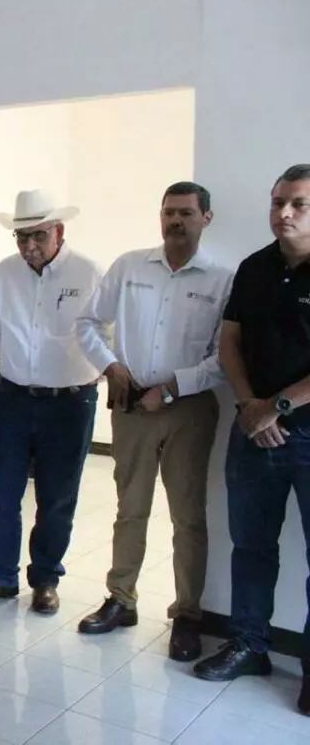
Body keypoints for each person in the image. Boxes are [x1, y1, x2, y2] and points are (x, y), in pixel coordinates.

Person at [73, 182, 231, 661]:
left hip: (189, 410)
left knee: (188, 517)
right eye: (168, 212)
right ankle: (121, 599)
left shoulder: (222, 280)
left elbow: (224, 357)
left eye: (185, 213)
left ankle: (187, 615)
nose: (175, 221)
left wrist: (173, 388)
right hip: (133, 407)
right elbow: (87, 323)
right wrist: (110, 366)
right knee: (130, 508)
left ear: (206, 218)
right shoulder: (129, 266)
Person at [193, 164, 310, 715]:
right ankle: (249, 645)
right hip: (252, 432)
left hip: (303, 434)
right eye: (277, 202)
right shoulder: (255, 267)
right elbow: (230, 343)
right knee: (251, 545)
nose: (283, 213)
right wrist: (248, 407)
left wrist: (275, 407)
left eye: (298, 204)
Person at [0, 189, 103, 614]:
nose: (29, 246)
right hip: (16, 397)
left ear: (59, 231)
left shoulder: (88, 272)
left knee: (57, 496)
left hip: (70, 401)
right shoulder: (6, 272)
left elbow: (107, 333)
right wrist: (24, 367)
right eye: (22, 237)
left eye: (38, 235)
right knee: (3, 490)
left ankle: (45, 579)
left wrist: (74, 372)